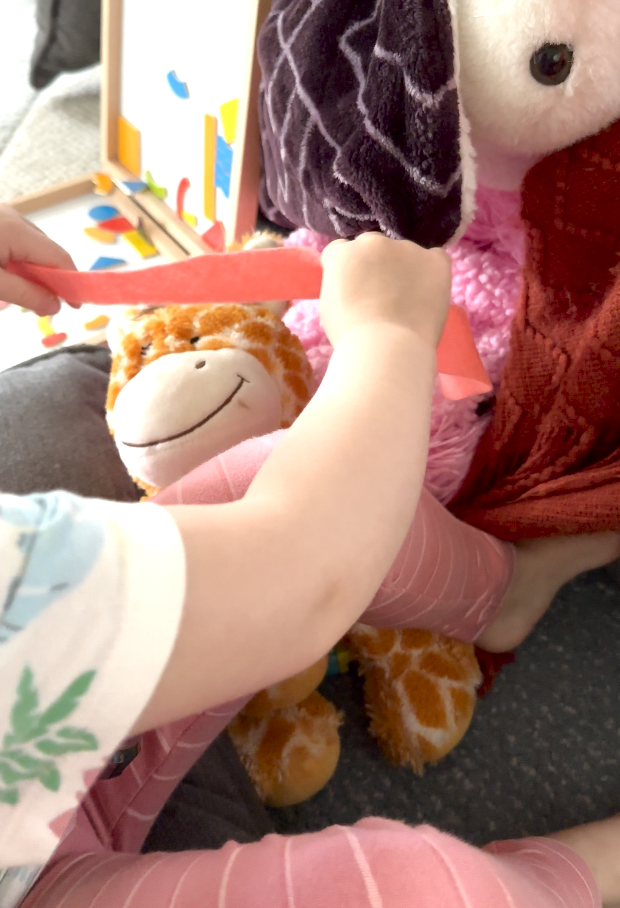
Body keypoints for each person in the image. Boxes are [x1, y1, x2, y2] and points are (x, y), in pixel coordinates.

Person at [0, 203, 619, 908]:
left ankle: (497, 598)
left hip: (41, 768)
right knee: (435, 891)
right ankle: (572, 875)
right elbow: (304, 577)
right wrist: (388, 333)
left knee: (288, 473)